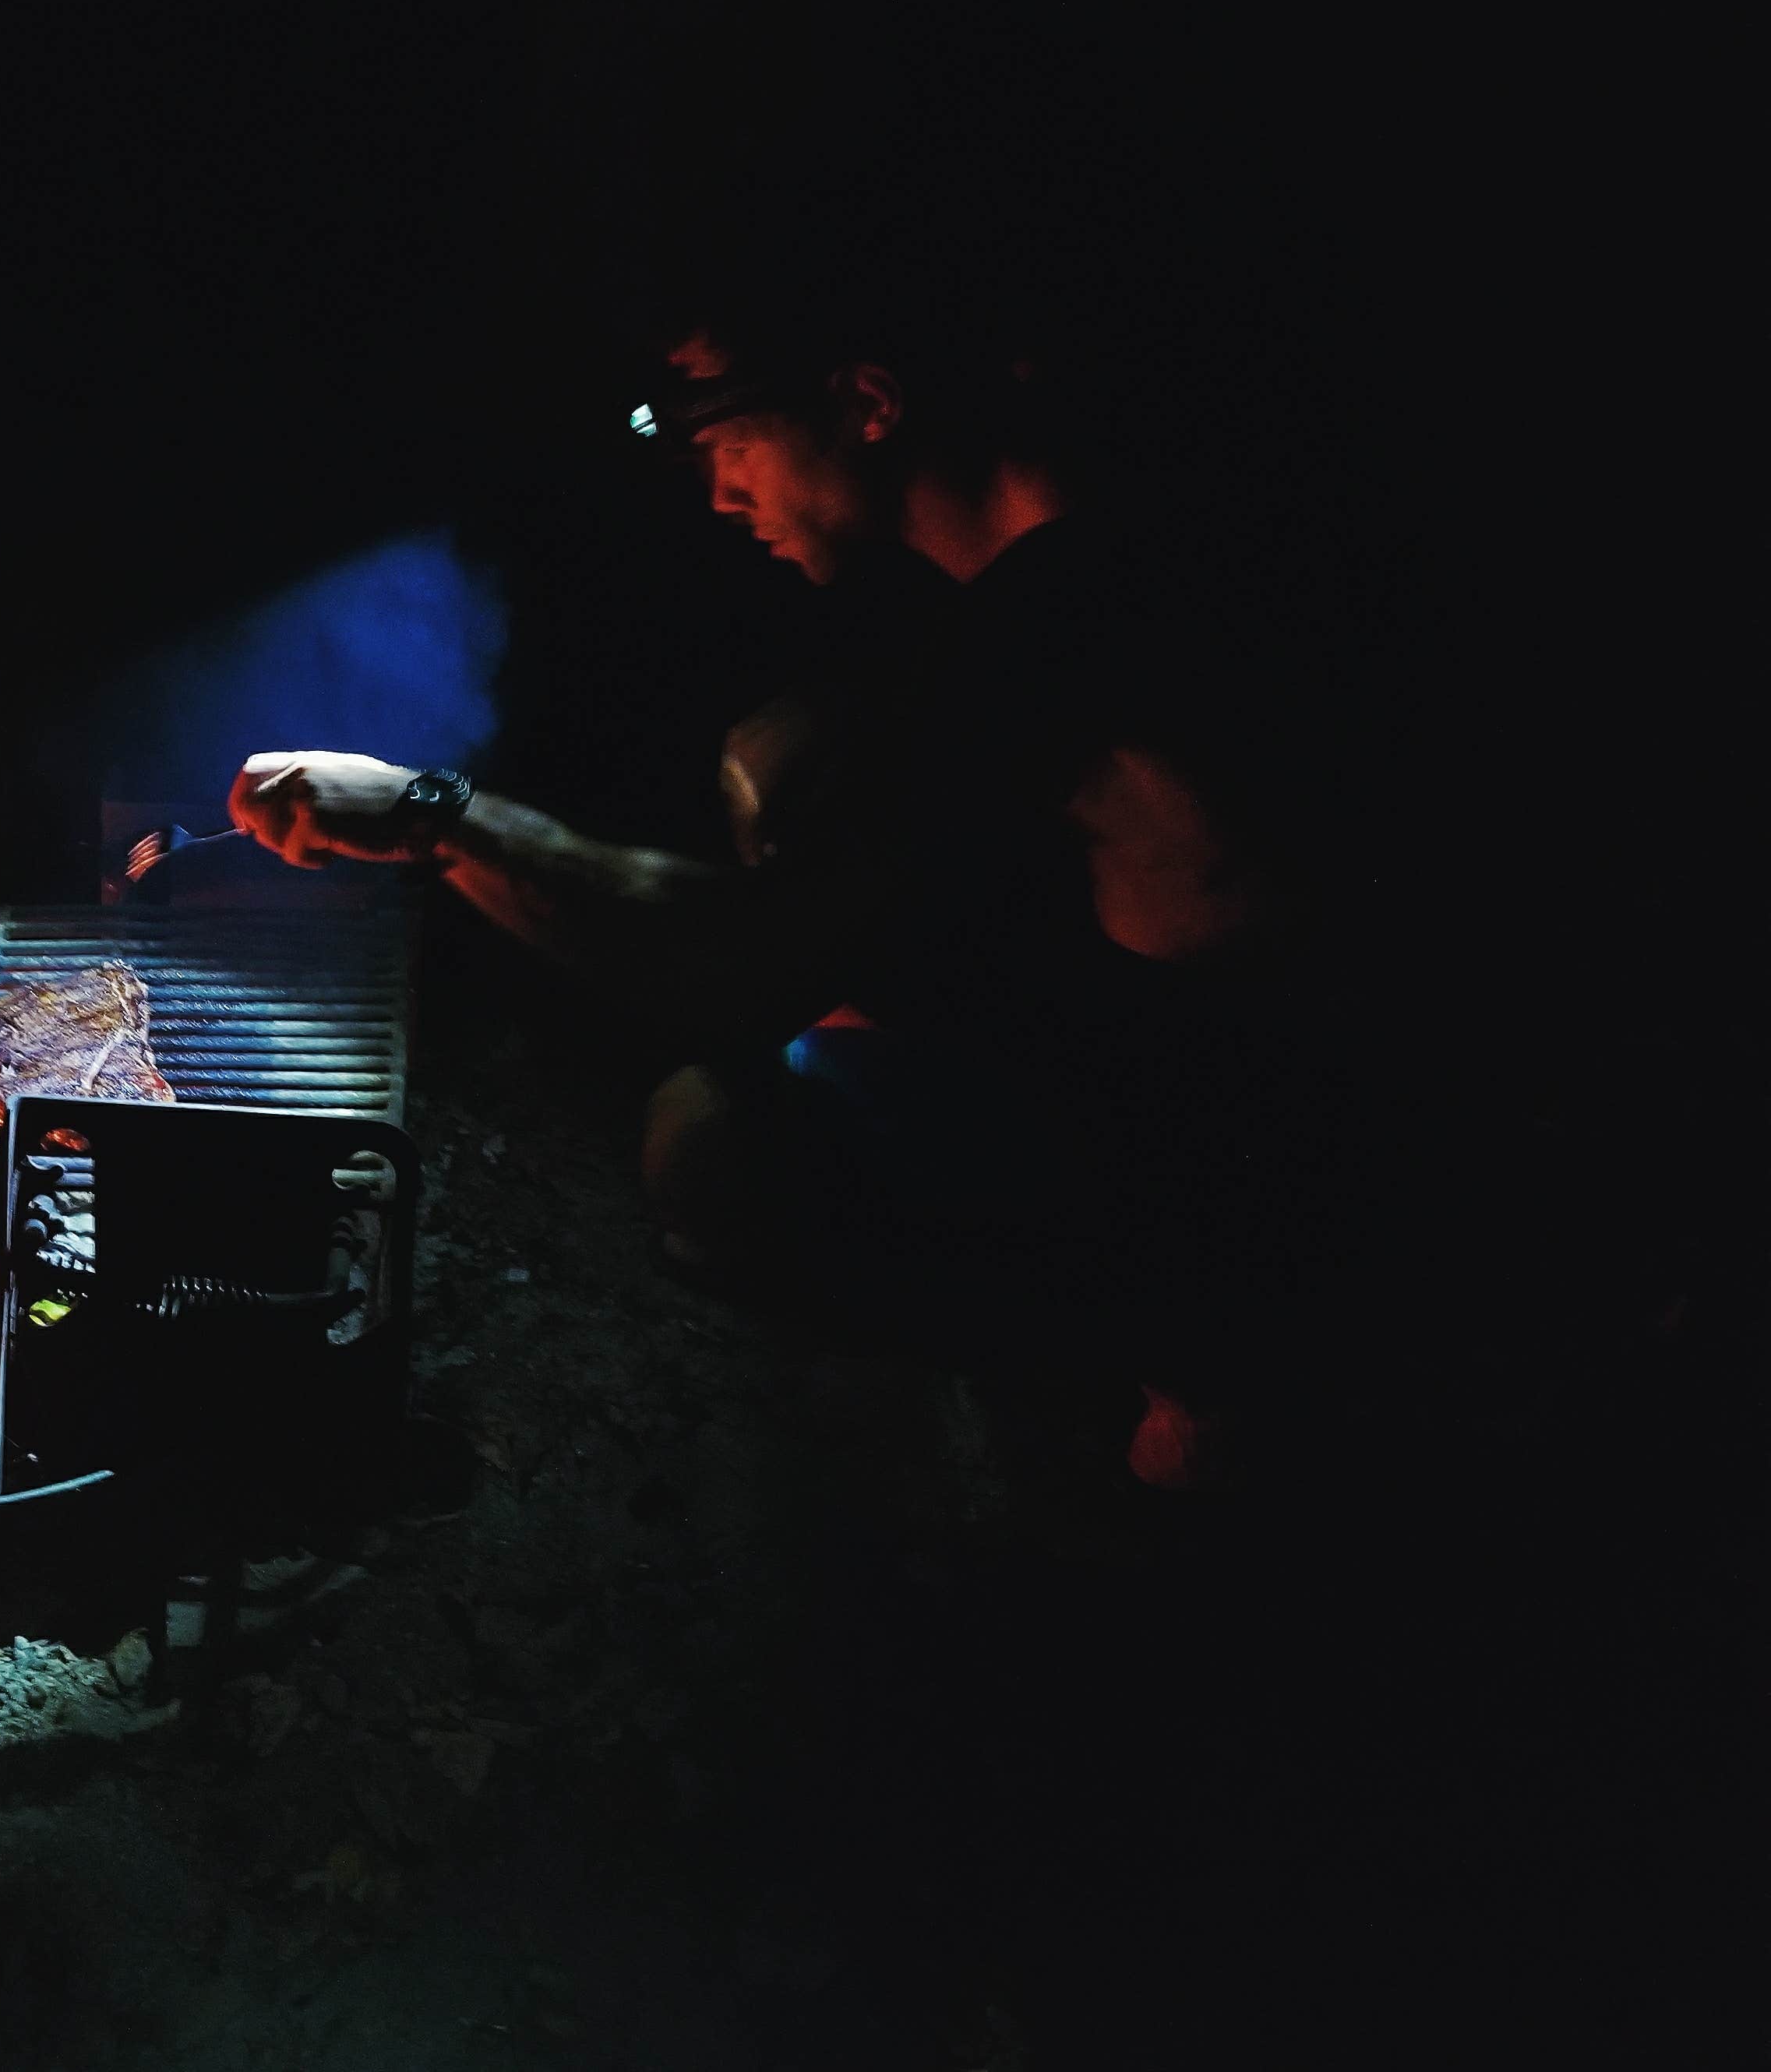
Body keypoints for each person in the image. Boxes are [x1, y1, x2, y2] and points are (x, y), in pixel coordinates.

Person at [228, 279, 1324, 1489]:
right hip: (1194, 1072)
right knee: (792, 771)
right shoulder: (1069, 549)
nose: (720, 493)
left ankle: (1183, 1414)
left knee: (719, 1145)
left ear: (866, 403)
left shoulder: (1060, 644)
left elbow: (732, 964)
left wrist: (434, 814)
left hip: (1285, 1180)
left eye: (734, 444)